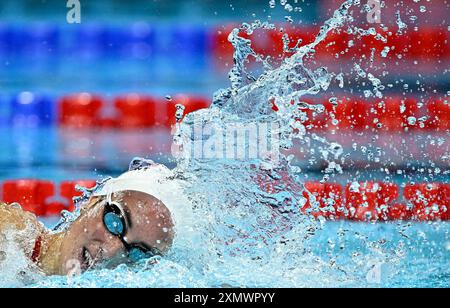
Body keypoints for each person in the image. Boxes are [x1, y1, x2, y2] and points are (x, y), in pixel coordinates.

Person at [0, 163, 193, 276]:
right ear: (90, 203)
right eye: (115, 223)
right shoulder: (9, 237)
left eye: (137, 252)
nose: (111, 251)